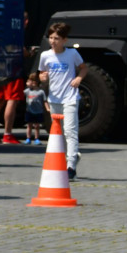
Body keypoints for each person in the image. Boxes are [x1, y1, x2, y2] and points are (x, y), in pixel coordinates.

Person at [38, 22, 88, 179]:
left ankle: (71, 167)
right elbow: (41, 73)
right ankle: (70, 157)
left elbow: (84, 68)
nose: (53, 41)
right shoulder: (45, 55)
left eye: (56, 38)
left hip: (70, 97)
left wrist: (79, 78)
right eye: (51, 38)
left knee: (70, 131)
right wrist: (43, 77)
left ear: (64, 40)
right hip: (54, 99)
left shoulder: (72, 54)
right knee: (58, 133)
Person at [23, 72, 50, 145]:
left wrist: (47, 108)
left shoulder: (41, 92)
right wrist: (27, 84)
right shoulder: (27, 91)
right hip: (29, 111)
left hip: (38, 111)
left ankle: (36, 138)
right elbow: (21, 94)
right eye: (30, 81)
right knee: (29, 125)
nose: (32, 83)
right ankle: (28, 138)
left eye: (33, 81)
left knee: (37, 126)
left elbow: (45, 101)